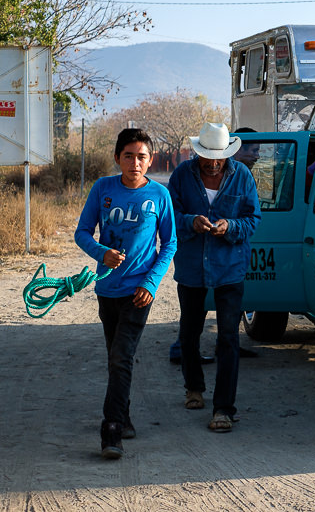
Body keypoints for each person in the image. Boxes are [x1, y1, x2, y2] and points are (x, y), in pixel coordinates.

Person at [74, 128, 177, 459]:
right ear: (118, 158)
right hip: (107, 287)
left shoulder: (160, 196)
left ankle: (112, 429)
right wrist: (101, 252)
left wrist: (151, 283)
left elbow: (169, 243)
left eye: (142, 157)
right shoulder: (103, 188)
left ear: (151, 161)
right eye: (129, 156)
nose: (135, 163)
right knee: (116, 357)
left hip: (138, 291)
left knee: (121, 356)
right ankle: (126, 415)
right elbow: (82, 232)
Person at [168, 122, 261, 433]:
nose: (212, 163)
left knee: (228, 338)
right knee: (189, 333)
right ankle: (194, 387)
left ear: (226, 155)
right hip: (192, 265)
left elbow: (252, 219)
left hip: (230, 266)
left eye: (217, 158)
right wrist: (190, 221)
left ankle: (223, 408)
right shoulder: (182, 175)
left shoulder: (243, 176)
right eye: (207, 157)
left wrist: (230, 227)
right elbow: (170, 216)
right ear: (198, 153)